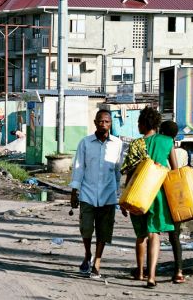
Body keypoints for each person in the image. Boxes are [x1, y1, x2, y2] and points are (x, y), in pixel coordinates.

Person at [120, 106, 178, 288]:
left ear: (144, 124)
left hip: (137, 193)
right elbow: (175, 171)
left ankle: (140, 272)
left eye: (138, 122)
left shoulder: (136, 144)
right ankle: (151, 276)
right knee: (154, 234)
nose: (138, 125)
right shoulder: (167, 142)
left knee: (141, 236)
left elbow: (129, 173)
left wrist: (124, 199)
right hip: (158, 194)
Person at [69, 109, 123, 279]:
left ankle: (97, 262)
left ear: (110, 124)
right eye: (100, 121)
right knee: (86, 229)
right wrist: (74, 191)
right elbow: (78, 167)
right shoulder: (85, 143)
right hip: (87, 193)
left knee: (104, 230)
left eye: (107, 122)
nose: (103, 124)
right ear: (95, 123)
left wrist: (119, 195)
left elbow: (118, 171)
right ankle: (87, 255)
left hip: (108, 194)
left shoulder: (117, 144)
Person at [159, 120, 187, 284]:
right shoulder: (184, 153)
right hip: (177, 196)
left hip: (160, 194)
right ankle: (179, 271)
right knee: (174, 237)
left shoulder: (159, 148)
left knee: (153, 234)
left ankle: (148, 270)